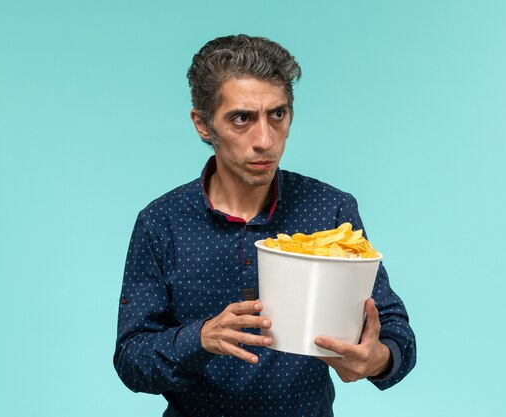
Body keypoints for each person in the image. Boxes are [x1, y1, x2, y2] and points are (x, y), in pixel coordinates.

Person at [114, 34, 416, 417]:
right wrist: (200, 338)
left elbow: (393, 328)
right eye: (241, 118)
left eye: (277, 115)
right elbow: (131, 359)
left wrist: (376, 358)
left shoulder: (331, 209)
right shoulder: (161, 222)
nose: (265, 140)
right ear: (202, 125)